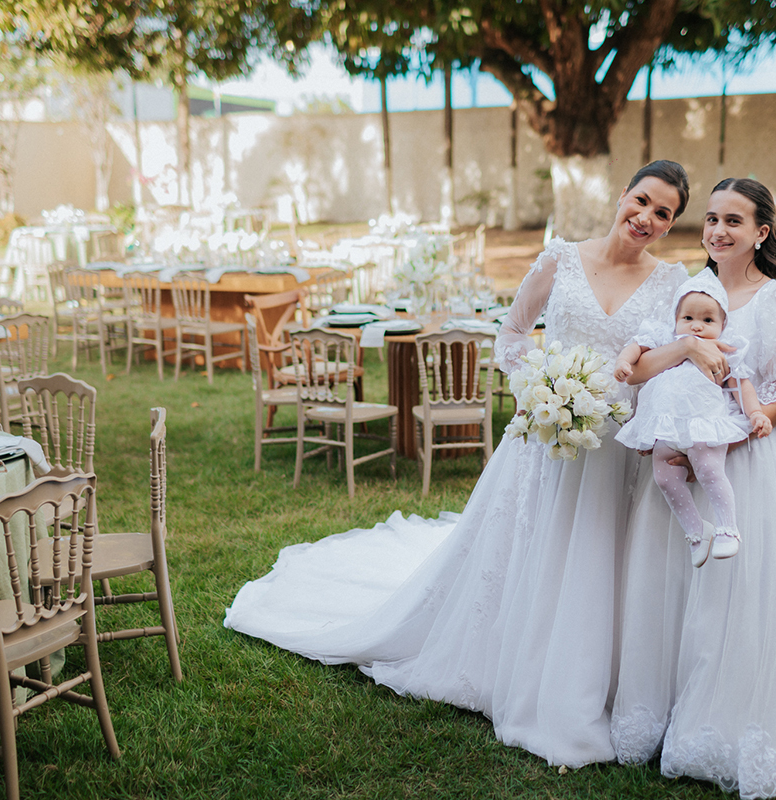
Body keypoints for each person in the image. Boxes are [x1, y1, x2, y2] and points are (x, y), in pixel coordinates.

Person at [225, 160, 704, 767]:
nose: (647, 218)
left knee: (604, 560)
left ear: (671, 224)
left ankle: (598, 676)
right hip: (548, 437)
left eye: (663, 213)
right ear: (621, 195)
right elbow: (511, 334)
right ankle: (520, 661)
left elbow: (664, 362)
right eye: (642, 201)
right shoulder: (560, 258)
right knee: (537, 550)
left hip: (617, 450)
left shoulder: (670, 284)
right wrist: (543, 392)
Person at [613, 178, 776, 798]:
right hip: (681, 445)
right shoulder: (682, 289)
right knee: (677, 577)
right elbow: (643, 367)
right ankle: (668, 705)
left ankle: (733, 716)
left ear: (761, 232)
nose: (717, 231)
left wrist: (738, 429)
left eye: (734, 220)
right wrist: (684, 350)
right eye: (710, 219)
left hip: (750, 455)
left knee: (744, 585)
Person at [613, 268, 772, 567]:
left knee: (708, 468)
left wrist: (756, 413)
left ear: (723, 325)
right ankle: (697, 532)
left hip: (703, 424)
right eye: (688, 318)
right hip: (667, 426)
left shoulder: (723, 349)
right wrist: (624, 360)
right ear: (675, 319)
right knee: (664, 476)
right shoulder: (666, 340)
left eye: (708, 320)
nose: (696, 327)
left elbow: (740, 383)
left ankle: (728, 527)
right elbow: (637, 345)